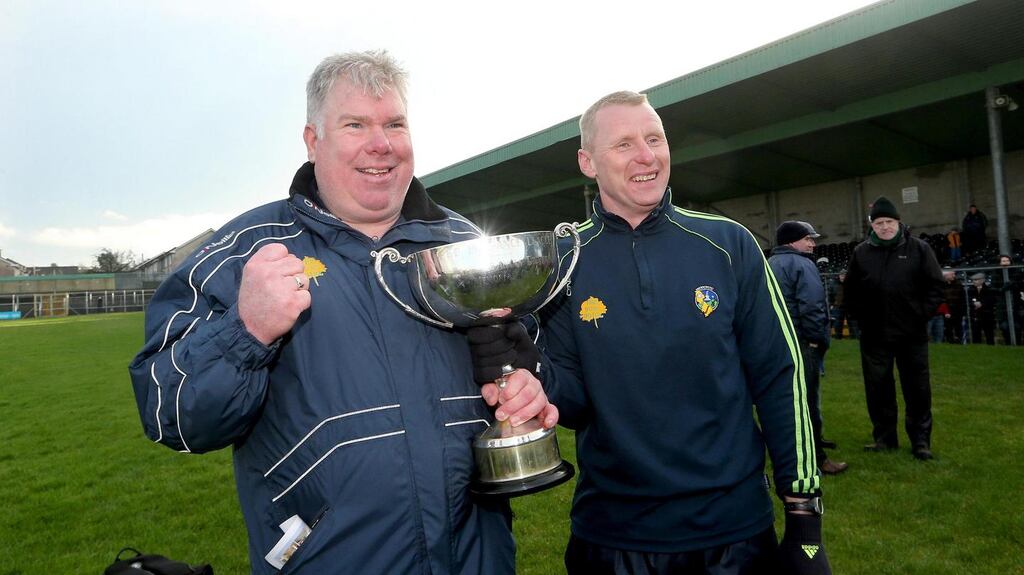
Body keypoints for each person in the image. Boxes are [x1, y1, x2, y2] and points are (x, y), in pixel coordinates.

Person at [127, 51, 553, 574]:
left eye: (395, 123)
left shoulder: (463, 245)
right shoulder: (244, 253)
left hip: (476, 558)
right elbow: (170, 413)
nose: (381, 144)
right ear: (313, 141)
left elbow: (524, 359)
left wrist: (525, 387)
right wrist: (248, 332)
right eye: (355, 124)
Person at [471, 91, 831, 575]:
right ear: (587, 162)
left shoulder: (728, 244)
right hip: (614, 535)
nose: (646, 156)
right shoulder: (561, 260)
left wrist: (804, 516)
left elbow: (779, 376)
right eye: (623, 144)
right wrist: (532, 369)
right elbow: (574, 400)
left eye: (655, 139)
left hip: (733, 532)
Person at [843, 196, 944, 461]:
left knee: (918, 389)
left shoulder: (919, 249)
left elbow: (936, 286)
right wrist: (862, 318)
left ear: (898, 222)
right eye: (879, 222)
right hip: (875, 335)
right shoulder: (861, 253)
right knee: (878, 389)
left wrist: (921, 315)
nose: (884, 226)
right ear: (872, 225)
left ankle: (921, 441)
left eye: (889, 221)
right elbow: (850, 291)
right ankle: (884, 439)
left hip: (912, 335)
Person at [769, 221, 848, 475]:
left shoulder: (768, 264)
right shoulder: (802, 264)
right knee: (807, 399)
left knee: (788, 399)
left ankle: (802, 445)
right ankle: (817, 458)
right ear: (793, 241)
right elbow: (812, 306)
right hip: (803, 342)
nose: (812, 243)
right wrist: (817, 339)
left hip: (778, 342)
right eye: (808, 239)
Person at [967, 271, 997, 345]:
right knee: (975, 335)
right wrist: (974, 303)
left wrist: (982, 304)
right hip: (975, 316)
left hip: (987, 316)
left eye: (976, 280)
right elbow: (967, 300)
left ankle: (991, 349)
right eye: (973, 280)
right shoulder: (970, 290)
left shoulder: (989, 289)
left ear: (982, 280)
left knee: (989, 334)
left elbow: (992, 300)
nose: (974, 281)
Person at [940, 268, 965, 344]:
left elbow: (962, 299)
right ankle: (950, 341)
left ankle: (959, 341)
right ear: (946, 275)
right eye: (952, 274)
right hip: (946, 310)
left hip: (957, 310)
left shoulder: (959, 284)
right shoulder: (941, 285)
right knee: (948, 327)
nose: (954, 275)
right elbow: (941, 298)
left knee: (958, 327)